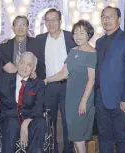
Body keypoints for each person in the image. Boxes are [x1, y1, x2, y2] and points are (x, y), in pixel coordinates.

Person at [44, 20, 96, 153]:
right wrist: (47, 79)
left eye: (82, 33)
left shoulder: (92, 53)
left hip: (83, 99)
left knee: (79, 138)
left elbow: (91, 80)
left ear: (89, 35)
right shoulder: (73, 51)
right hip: (71, 98)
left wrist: (83, 102)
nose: (78, 36)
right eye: (76, 33)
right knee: (73, 137)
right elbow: (63, 73)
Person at [95, 6, 125, 153]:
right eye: (104, 17)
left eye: (111, 16)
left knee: (121, 137)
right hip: (100, 98)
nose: (106, 20)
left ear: (119, 19)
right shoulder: (99, 42)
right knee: (104, 136)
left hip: (120, 100)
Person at [36, 8, 76, 153]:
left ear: (60, 21)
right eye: (48, 20)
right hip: (48, 87)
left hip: (68, 85)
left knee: (68, 122)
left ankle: (68, 150)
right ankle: (52, 149)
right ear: (45, 22)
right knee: (49, 122)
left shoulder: (71, 37)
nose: (51, 23)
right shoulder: (39, 39)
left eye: (54, 19)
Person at [0, 52, 46, 153]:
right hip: (9, 118)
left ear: (33, 68)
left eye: (29, 65)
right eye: (22, 63)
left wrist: (26, 123)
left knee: (40, 122)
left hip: (29, 118)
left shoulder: (38, 84)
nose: (24, 67)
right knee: (12, 124)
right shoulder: (4, 80)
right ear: (17, 63)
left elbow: (38, 108)